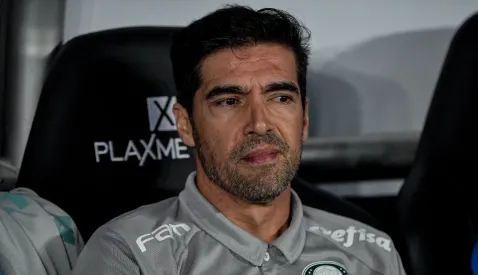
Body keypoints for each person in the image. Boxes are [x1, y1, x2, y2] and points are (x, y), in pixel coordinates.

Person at [72, 5, 406, 275]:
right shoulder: (129, 255)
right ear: (185, 124)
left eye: (280, 98)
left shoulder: (370, 253)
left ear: (303, 119)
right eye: (229, 101)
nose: (259, 124)